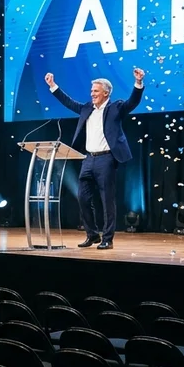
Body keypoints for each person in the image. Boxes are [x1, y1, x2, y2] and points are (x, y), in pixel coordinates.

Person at [44, 68, 145, 250]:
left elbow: (133, 102)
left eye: (96, 91)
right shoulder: (86, 108)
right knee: (82, 197)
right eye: (91, 91)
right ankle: (92, 234)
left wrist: (138, 84)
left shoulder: (116, 108)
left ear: (106, 93)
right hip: (88, 159)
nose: (92, 94)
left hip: (106, 159)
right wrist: (52, 85)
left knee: (107, 201)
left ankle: (108, 238)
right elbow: (68, 102)